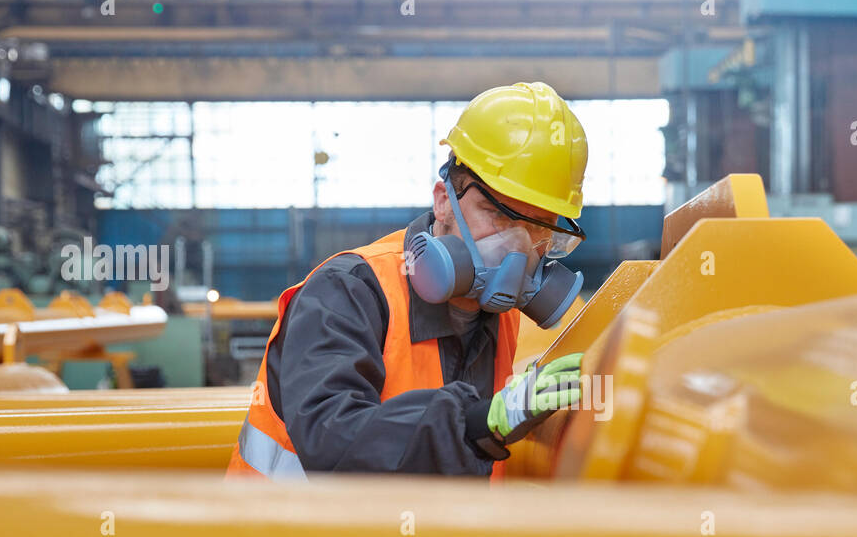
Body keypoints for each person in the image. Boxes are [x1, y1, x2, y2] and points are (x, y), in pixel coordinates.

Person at [227, 81, 590, 481]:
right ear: (442, 199)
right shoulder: (346, 291)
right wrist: (476, 423)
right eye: (499, 215)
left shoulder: (503, 317)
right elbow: (333, 441)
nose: (516, 248)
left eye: (539, 228)